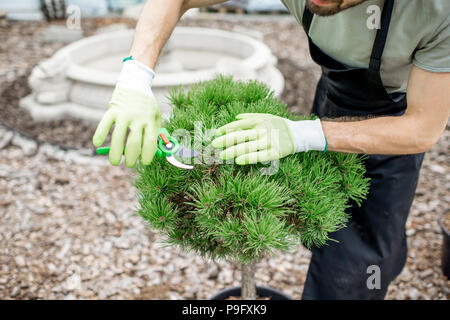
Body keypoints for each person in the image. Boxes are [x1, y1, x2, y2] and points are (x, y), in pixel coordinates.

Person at [92, 0, 450, 299]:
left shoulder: (435, 11)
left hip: (394, 126)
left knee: (358, 270)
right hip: (334, 98)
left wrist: (304, 136)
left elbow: (421, 128)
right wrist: (136, 76)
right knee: (323, 232)